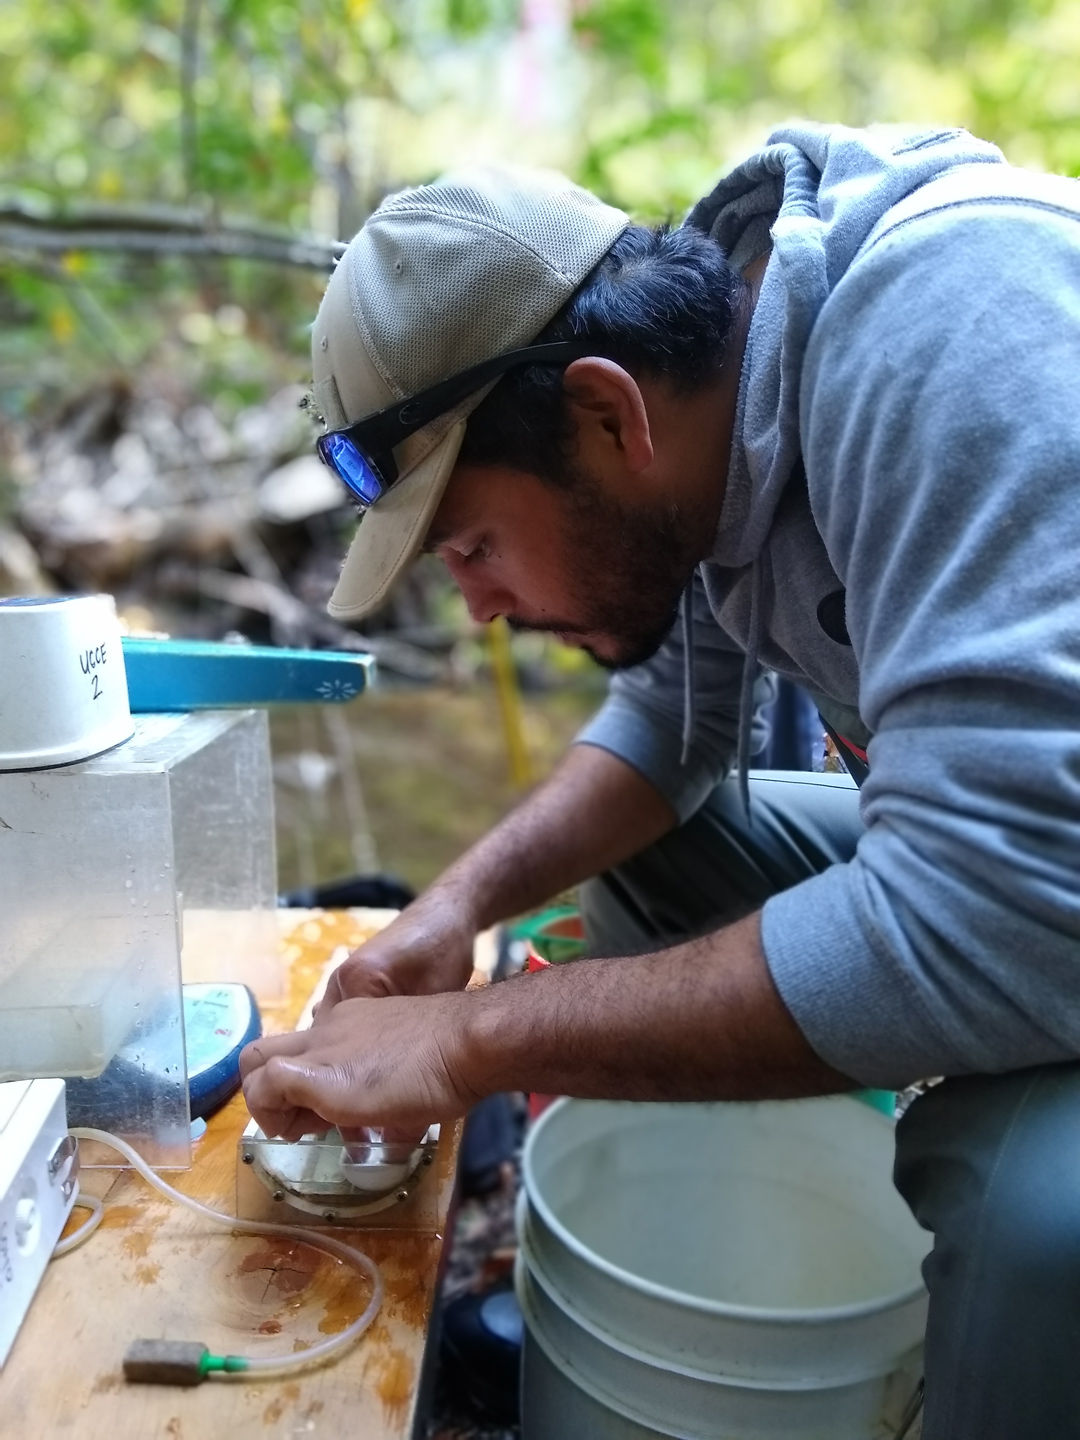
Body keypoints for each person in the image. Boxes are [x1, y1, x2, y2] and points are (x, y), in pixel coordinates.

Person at [241, 126, 1080, 1437]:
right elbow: (668, 738)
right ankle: (711, 1256)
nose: (475, 612)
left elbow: (1002, 922)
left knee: (1041, 1216)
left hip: (1039, 899)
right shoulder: (711, 401)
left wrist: (466, 1041)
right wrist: (453, 915)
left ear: (603, 412)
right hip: (1020, 865)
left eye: (471, 546)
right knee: (644, 854)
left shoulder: (958, 336)